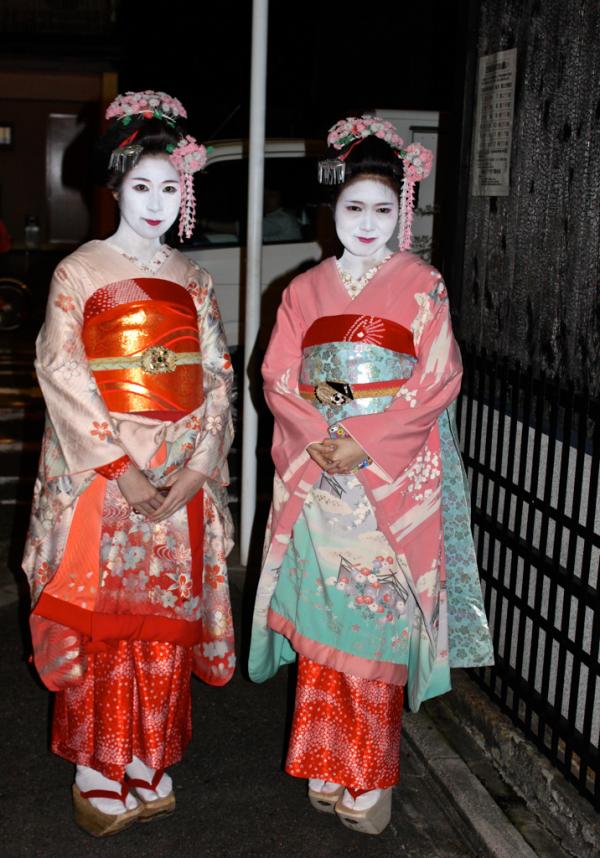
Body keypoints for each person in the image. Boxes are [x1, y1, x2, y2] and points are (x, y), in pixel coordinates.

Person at [249, 115, 494, 835]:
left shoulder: (423, 285)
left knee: (378, 629)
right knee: (329, 625)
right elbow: (278, 375)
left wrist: (363, 440)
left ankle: (370, 772)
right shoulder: (306, 288)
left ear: (402, 213)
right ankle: (326, 759)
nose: (366, 221)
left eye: (382, 209)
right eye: (353, 207)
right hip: (322, 480)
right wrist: (321, 439)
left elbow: (437, 379)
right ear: (334, 212)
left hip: (387, 482)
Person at [22, 90, 235, 837]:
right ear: (112, 188)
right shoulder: (78, 272)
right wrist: (124, 465)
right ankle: (94, 762)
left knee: (163, 617)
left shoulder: (194, 278)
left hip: (178, 470)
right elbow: (63, 370)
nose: (154, 201)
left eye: (168, 187)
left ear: (187, 191)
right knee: (105, 619)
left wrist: (199, 464)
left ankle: (148, 754)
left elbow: (217, 373)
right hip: (107, 473)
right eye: (140, 186)